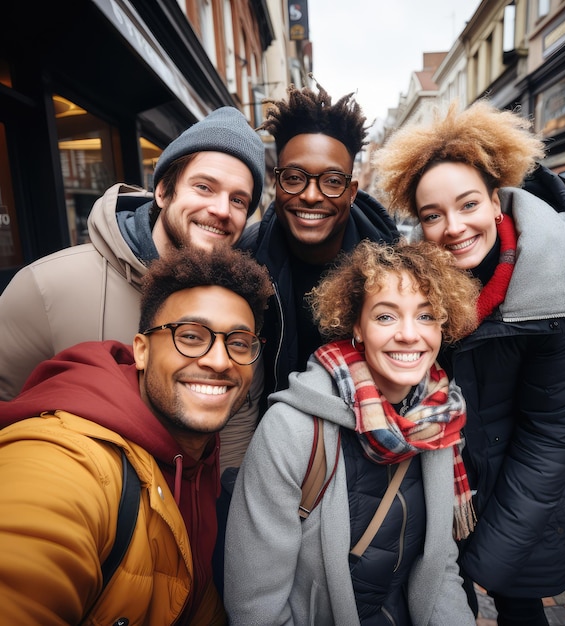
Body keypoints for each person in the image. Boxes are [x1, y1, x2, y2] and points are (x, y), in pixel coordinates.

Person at [373, 99, 565, 626]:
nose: (453, 227)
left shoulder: (563, 293)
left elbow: (554, 434)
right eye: (432, 215)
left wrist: (485, 559)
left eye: (468, 204)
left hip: (524, 502)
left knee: (520, 607)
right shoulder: (419, 287)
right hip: (444, 491)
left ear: (497, 201)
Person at [0, 244, 273, 625]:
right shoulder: (68, 457)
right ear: (141, 351)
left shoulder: (198, 454)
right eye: (191, 336)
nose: (219, 360)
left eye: (239, 343)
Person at [224, 239, 479, 625]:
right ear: (357, 326)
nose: (410, 335)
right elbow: (255, 605)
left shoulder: (439, 422)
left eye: (426, 316)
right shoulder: (292, 429)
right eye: (386, 317)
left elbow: (439, 565)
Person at [0, 106, 265, 469]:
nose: (221, 209)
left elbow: (236, 421)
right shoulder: (47, 286)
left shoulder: (239, 307)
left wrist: (221, 504)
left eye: (238, 200)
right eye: (204, 187)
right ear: (162, 191)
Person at [239, 79, 399, 403]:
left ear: (351, 192)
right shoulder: (244, 259)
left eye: (331, 181)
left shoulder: (393, 270)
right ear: (277, 183)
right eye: (295, 178)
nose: (311, 196)